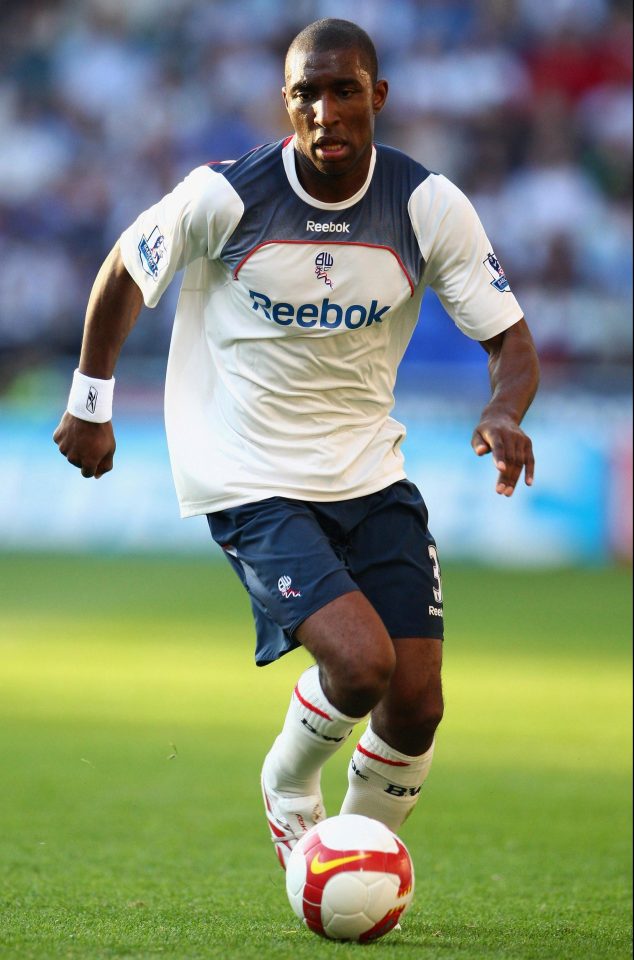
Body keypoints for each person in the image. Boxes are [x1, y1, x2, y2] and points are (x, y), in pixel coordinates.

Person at [53, 19, 539, 871]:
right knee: (359, 666)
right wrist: (90, 403)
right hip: (247, 473)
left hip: (368, 470)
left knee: (417, 702)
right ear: (286, 103)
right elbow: (127, 269)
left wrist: (505, 410)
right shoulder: (226, 194)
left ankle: (356, 864)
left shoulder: (426, 205)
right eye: (306, 94)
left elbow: (511, 339)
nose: (325, 111)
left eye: (344, 89)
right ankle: (288, 787)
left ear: (377, 96)